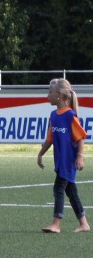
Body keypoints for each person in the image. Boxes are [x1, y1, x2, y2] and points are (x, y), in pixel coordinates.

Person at [36, 77, 90, 233]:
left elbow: (81, 138)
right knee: (71, 191)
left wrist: (80, 156)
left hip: (69, 161)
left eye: (50, 92)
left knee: (58, 189)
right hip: (60, 161)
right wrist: (40, 154)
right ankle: (84, 223)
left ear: (59, 95)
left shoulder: (70, 116)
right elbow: (49, 139)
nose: (48, 95)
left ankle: (56, 224)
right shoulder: (54, 116)